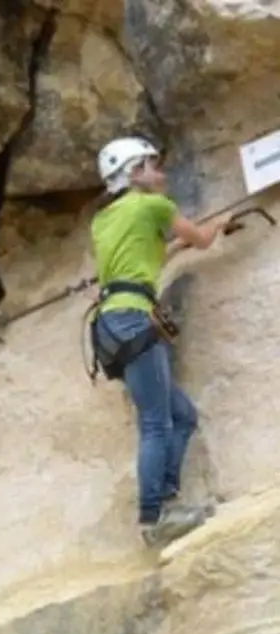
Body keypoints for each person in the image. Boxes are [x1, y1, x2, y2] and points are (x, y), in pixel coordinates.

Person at [89, 137, 237, 548]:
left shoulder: (104, 219)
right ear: (134, 172)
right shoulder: (154, 205)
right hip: (136, 318)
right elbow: (203, 238)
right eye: (154, 165)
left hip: (110, 323)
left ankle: (167, 501)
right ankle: (153, 518)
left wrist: (180, 242)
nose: (162, 172)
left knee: (182, 415)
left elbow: (148, 261)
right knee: (156, 423)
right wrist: (218, 225)